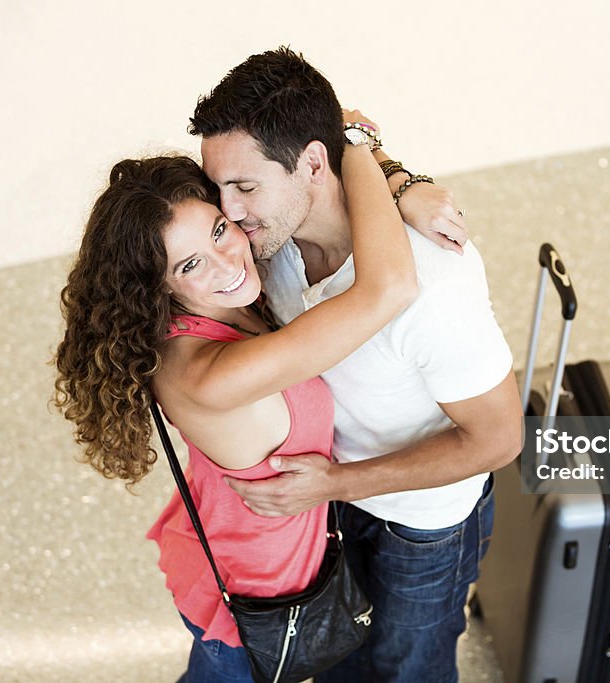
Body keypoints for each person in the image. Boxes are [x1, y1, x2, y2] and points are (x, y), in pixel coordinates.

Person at [54, 109, 458, 681]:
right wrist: (361, 149)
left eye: (219, 229)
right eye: (190, 263)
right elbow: (389, 286)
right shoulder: (211, 375)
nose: (228, 261)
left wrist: (401, 184)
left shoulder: (227, 300)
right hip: (252, 600)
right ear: (158, 288)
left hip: (234, 542)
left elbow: (307, 135)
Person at [190, 47, 524, 682]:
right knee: (342, 657)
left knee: (407, 668)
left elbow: (500, 438)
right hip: (337, 498)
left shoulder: (434, 285)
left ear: (314, 164)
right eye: (221, 187)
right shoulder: (270, 244)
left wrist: (335, 484)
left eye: (245, 186)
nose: (228, 213)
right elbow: (346, 123)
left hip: (425, 528)